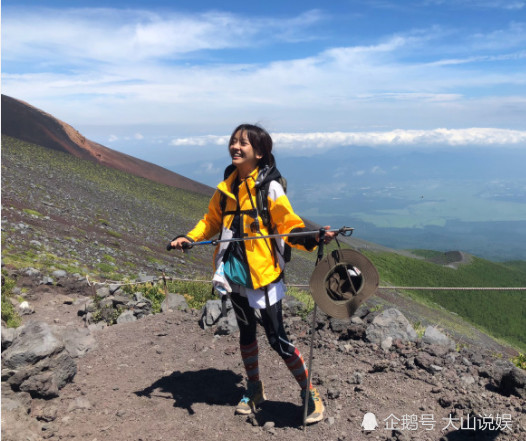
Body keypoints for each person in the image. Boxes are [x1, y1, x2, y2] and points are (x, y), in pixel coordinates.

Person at [170, 123, 337, 424]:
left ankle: (309, 393)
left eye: (243, 143)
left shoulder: (269, 188)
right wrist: (190, 237)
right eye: (233, 142)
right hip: (235, 274)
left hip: (263, 276)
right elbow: (209, 222)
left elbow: (288, 224)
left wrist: (313, 236)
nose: (235, 147)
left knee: (277, 338)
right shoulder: (225, 190)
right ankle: (254, 389)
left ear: (259, 153)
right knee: (247, 334)